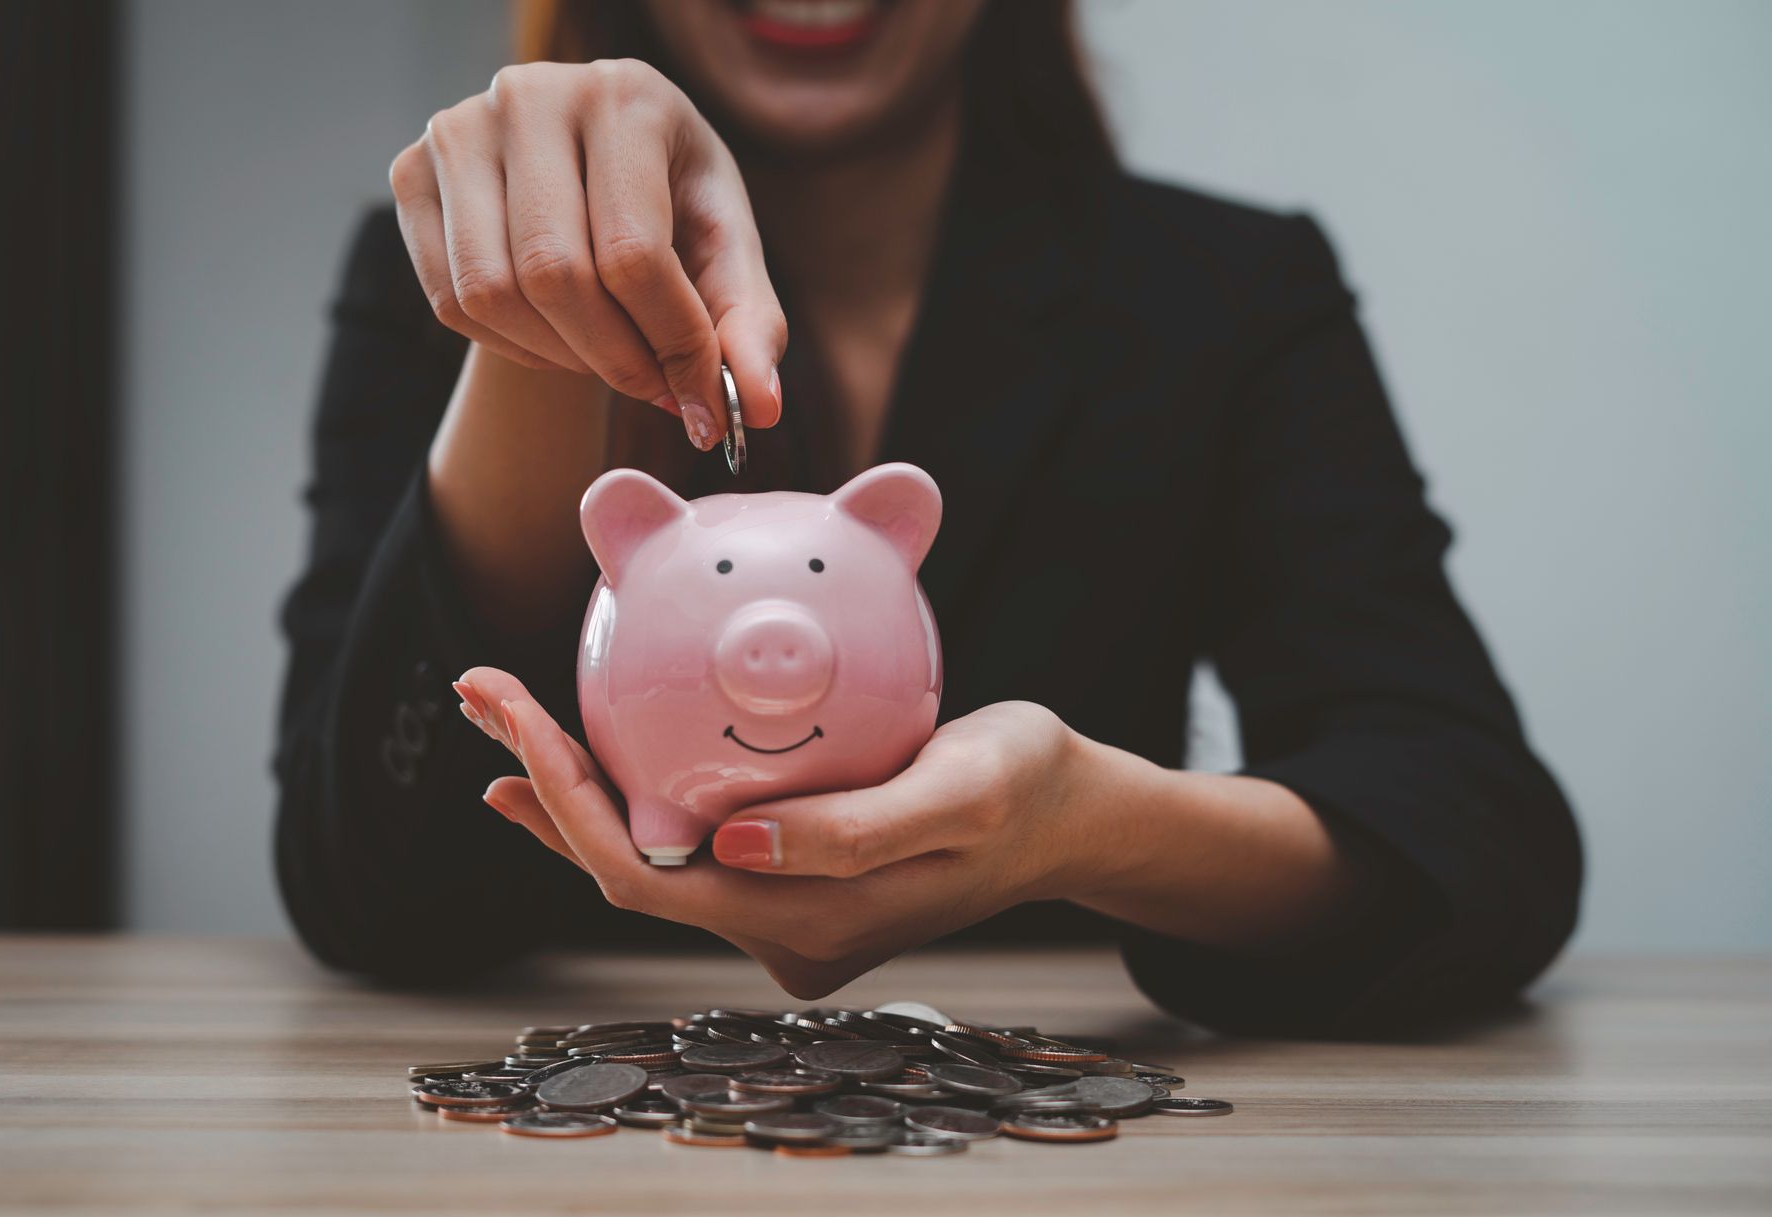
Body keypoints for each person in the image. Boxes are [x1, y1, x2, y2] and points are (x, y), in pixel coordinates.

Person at [275, 0, 1581, 1034]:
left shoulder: (1230, 295)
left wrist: (1089, 826)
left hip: (1062, 1121)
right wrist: (543, 317)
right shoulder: (440, 286)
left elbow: (1479, 838)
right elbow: (369, 892)